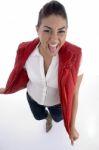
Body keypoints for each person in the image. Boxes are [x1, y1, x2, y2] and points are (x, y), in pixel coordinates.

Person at [0, 0, 83, 145]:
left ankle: (53, 117)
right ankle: (46, 117)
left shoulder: (75, 58)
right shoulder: (25, 51)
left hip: (58, 104)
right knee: (39, 116)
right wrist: (8, 89)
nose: (54, 39)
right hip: (33, 98)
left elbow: (75, 94)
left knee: (58, 118)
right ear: (37, 29)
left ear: (67, 31)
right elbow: (19, 73)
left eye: (61, 31)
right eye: (47, 30)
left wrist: (71, 126)